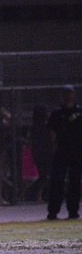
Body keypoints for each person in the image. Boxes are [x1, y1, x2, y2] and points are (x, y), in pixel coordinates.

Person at [46, 86, 82, 220]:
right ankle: (53, 211)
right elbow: (51, 131)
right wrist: (53, 145)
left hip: (77, 150)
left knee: (75, 181)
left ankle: (73, 211)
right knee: (57, 180)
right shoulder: (57, 113)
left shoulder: (79, 111)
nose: (68, 96)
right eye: (66, 94)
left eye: (70, 93)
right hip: (61, 149)